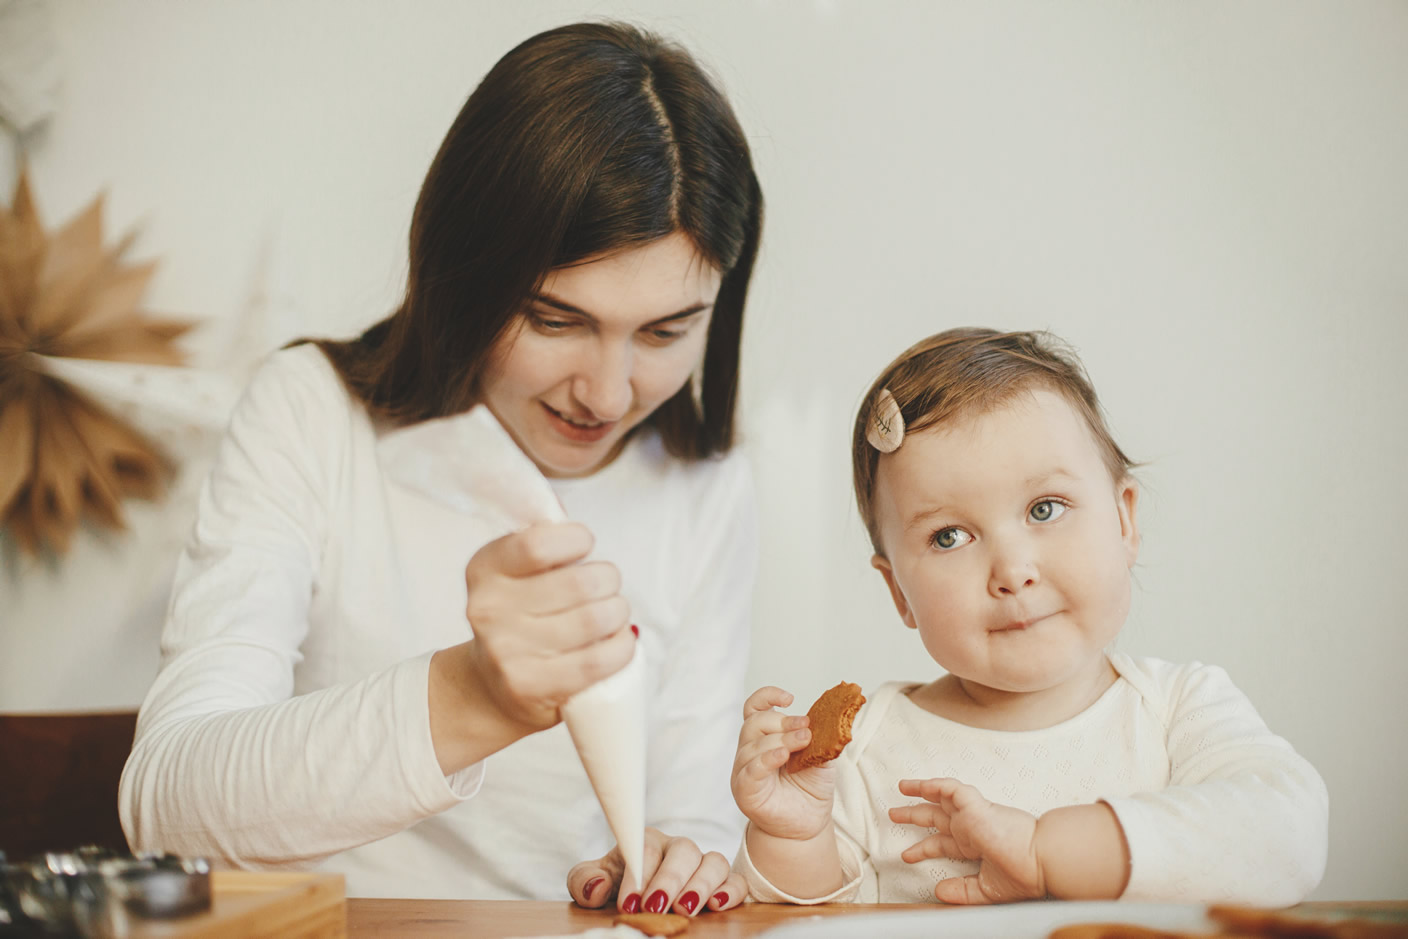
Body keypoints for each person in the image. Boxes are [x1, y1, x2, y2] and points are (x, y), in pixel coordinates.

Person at [119, 21, 762, 917]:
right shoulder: (312, 412)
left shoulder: (708, 483)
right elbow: (168, 807)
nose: (608, 394)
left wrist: (682, 859)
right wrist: (470, 694)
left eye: (665, 331)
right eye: (554, 319)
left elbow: (694, 808)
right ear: (467, 271)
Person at [729, 328, 1328, 905]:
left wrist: (1046, 853)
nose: (1012, 571)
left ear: (1124, 523)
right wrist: (793, 837)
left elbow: (1288, 834)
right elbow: (807, 923)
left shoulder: (1179, 712)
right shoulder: (863, 754)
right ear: (899, 594)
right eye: (949, 537)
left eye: (1045, 508)